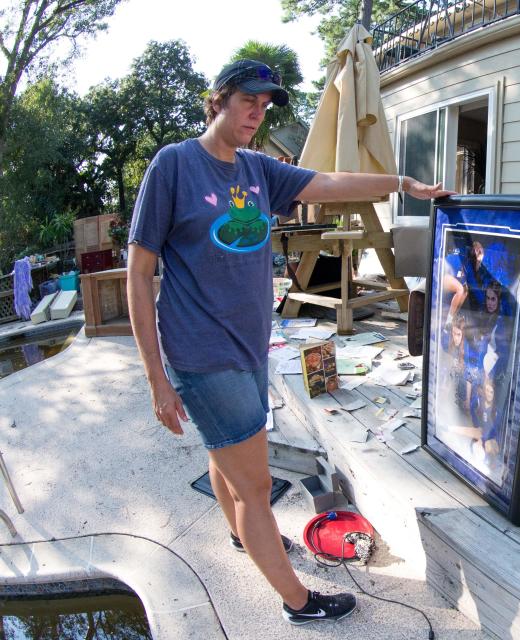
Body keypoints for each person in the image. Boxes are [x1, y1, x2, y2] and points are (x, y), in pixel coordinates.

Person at [126, 59, 454, 626]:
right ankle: (299, 603)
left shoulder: (257, 169)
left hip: (250, 347)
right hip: (203, 354)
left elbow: (327, 182)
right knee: (256, 487)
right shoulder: (174, 166)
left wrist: (401, 184)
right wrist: (156, 378)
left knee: (223, 452)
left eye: (266, 103)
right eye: (248, 100)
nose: (258, 112)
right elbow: (138, 272)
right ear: (219, 99)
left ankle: (239, 537)